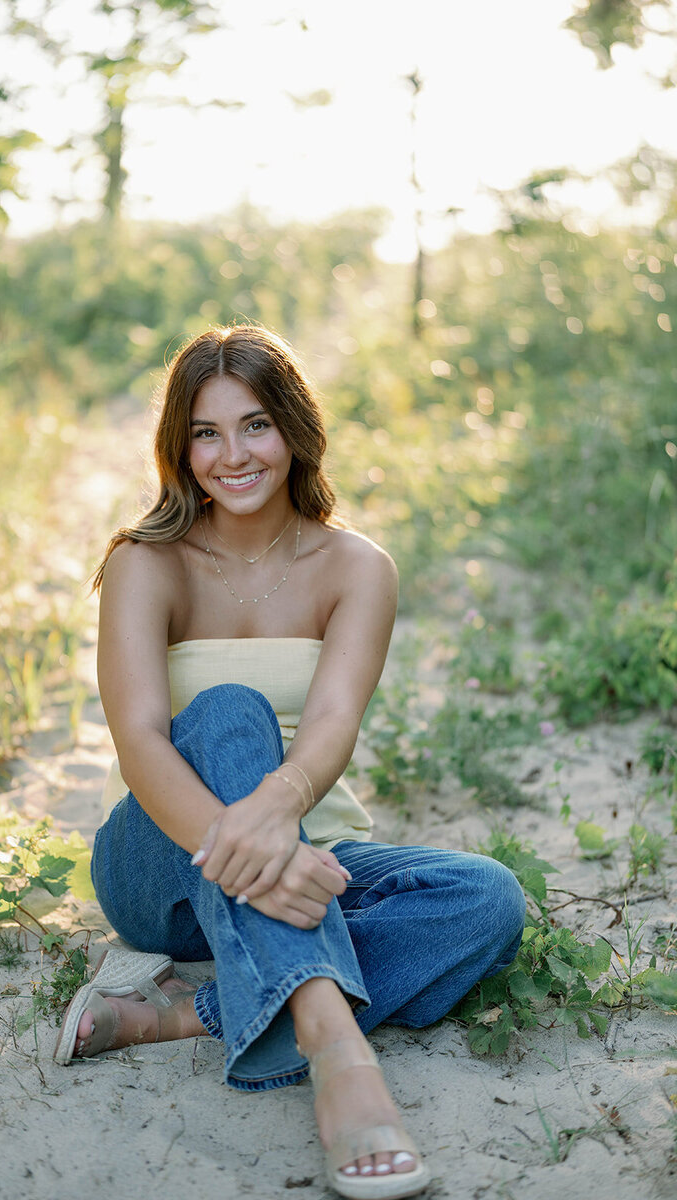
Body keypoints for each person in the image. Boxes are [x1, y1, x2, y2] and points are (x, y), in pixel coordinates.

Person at [53, 325, 526, 1200]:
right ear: (179, 445)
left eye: (255, 425)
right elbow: (140, 741)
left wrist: (279, 822)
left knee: (486, 899)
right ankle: (335, 1052)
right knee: (227, 709)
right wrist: (259, 853)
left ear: (295, 430)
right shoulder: (145, 562)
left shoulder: (355, 567)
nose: (232, 455)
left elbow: (335, 721)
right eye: (206, 432)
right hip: (162, 864)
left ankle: (170, 1020)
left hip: (315, 854)